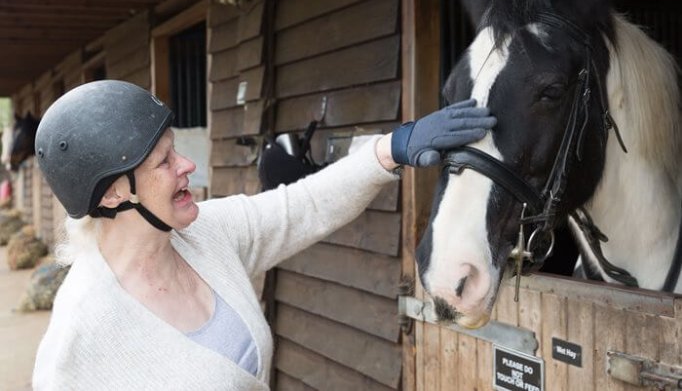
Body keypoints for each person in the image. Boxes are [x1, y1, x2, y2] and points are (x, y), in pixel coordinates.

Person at [32, 80, 495, 390]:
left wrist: (390, 150)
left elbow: (301, 207)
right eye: (164, 162)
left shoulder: (206, 235)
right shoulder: (83, 331)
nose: (186, 166)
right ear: (114, 194)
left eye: (178, 152)